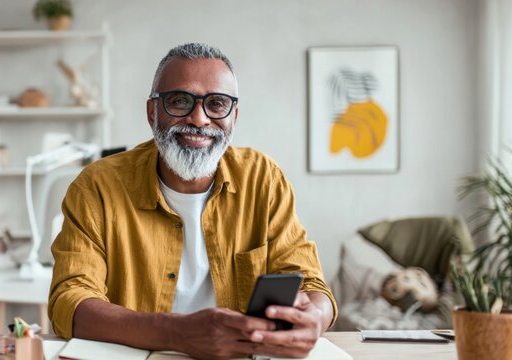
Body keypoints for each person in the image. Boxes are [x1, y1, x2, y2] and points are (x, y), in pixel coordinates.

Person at [48, 43, 336, 359]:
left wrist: (315, 318)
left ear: (234, 117)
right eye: (180, 101)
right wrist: (177, 333)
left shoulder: (263, 179)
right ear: (152, 111)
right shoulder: (97, 186)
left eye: (217, 104)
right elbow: (70, 301)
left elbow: (311, 285)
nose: (199, 119)